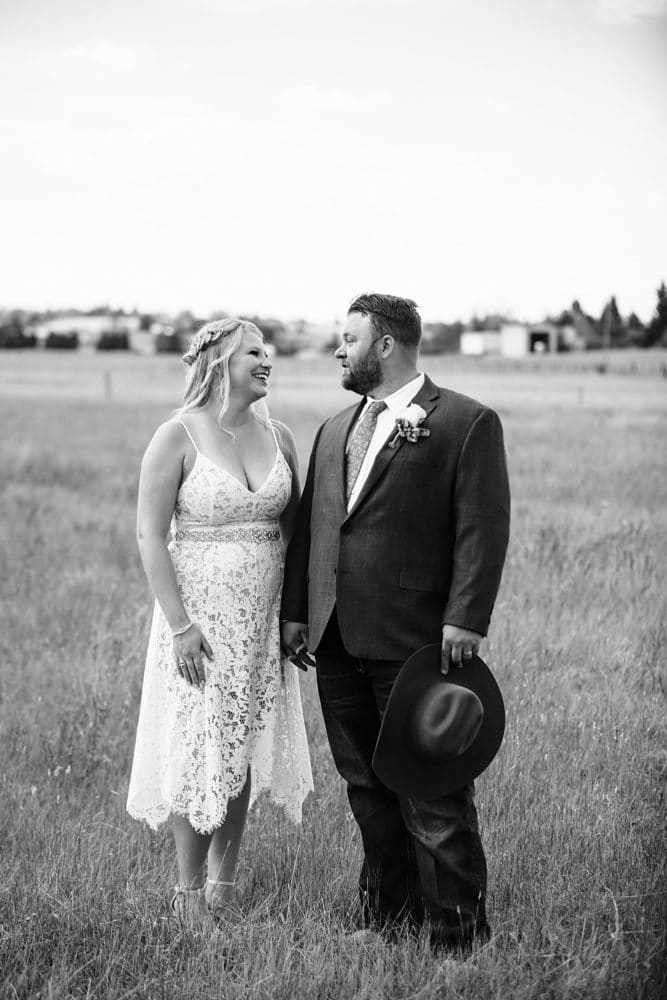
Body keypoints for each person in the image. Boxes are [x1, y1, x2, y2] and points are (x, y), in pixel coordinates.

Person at [281, 293, 510, 951]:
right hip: (334, 638)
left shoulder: (464, 422)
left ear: (384, 344)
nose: (337, 350)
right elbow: (316, 528)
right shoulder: (331, 430)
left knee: (434, 795)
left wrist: (466, 618)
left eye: (347, 339)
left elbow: (482, 527)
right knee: (368, 791)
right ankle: (389, 923)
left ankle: (458, 940)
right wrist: (297, 612)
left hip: (416, 641)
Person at [127, 318, 313, 926]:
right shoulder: (175, 436)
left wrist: (293, 616)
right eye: (254, 353)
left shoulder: (279, 436)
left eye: (269, 352)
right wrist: (180, 625)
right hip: (198, 625)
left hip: (259, 624)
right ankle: (185, 899)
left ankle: (222, 888)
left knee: (241, 746)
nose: (267, 361)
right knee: (197, 746)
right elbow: (150, 536)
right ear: (219, 364)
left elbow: (294, 534)